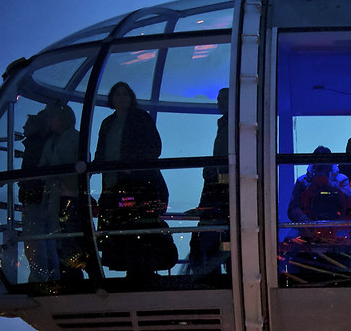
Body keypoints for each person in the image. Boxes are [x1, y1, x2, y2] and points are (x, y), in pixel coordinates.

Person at [94, 81, 174, 281]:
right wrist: (94, 168)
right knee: (121, 225)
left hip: (137, 184)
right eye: (117, 94)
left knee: (136, 225)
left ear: (131, 98)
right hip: (113, 183)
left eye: (124, 94)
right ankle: (131, 267)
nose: (121, 98)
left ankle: (142, 269)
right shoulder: (108, 123)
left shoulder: (140, 118)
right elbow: (101, 151)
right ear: (112, 99)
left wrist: (134, 166)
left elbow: (154, 147)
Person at [188, 87, 230, 276]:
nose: (220, 103)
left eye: (223, 99)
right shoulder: (227, 124)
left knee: (209, 240)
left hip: (219, 193)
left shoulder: (229, 125)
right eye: (219, 99)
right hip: (219, 192)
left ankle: (210, 276)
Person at [39, 103, 84, 281]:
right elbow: (43, 167)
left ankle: (73, 274)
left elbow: (75, 164)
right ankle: (66, 273)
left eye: (53, 117)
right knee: (60, 238)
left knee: (71, 238)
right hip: (55, 197)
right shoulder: (50, 142)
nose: (50, 121)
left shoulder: (75, 138)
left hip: (70, 196)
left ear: (63, 119)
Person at [19, 107, 57, 282]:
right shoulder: (45, 143)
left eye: (27, 123)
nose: (23, 127)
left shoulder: (34, 145)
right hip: (41, 196)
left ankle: (39, 278)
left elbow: (32, 172)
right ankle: (50, 277)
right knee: (47, 240)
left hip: (34, 197)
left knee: (35, 240)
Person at [287, 146, 351, 228]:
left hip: (337, 226)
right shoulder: (302, 181)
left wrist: (333, 187)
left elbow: (350, 204)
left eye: (325, 163)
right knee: (290, 239)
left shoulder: (341, 180)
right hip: (308, 226)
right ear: (314, 163)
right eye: (319, 162)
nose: (322, 166)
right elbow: (293, 209)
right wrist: (306, 222)